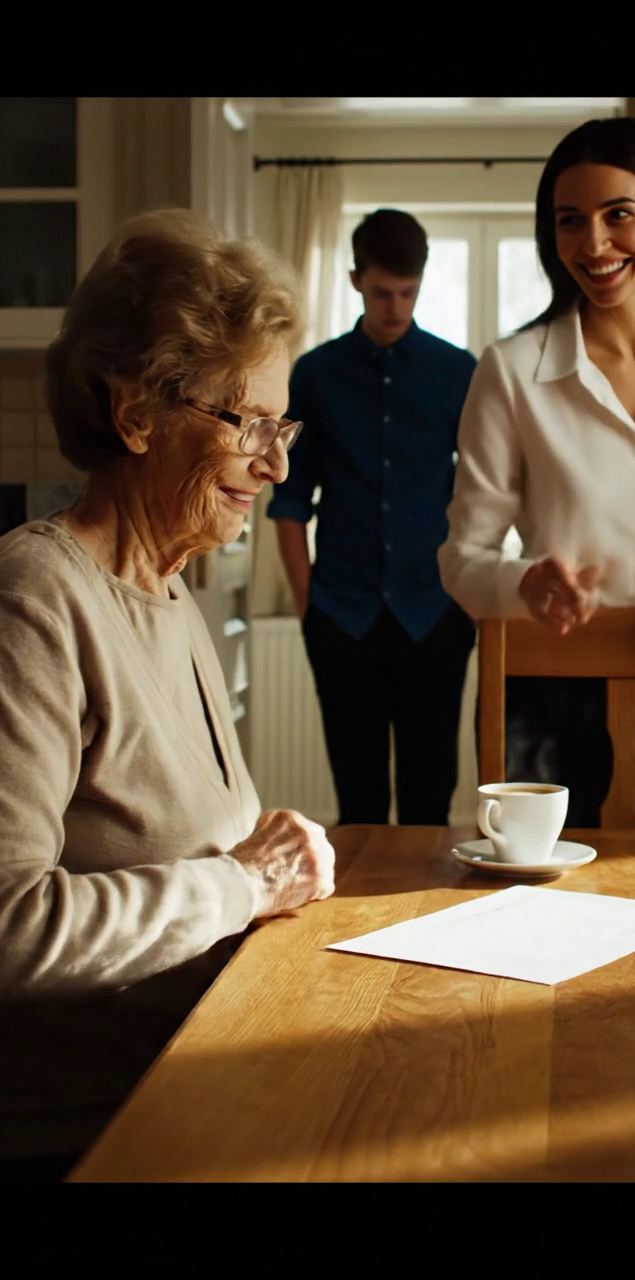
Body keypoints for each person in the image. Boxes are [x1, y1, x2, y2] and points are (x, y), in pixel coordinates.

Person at [0, 209, 336, 1184]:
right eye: (251, 424)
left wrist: (261, 859)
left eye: (285, 427)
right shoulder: (35, 598)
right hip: (88, 1133)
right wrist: (245, 882)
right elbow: (11, 925)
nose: (276, 464)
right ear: (137, 410)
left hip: (198, 1072)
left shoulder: (171, 588)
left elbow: (183, 839)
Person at [438, 116, 635, 829]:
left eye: (618, 215)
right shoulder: (511, 372)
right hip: (543, 689)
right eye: (571, 222)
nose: (593, 245)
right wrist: (524, 583)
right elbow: (462, 557)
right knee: (536, 910)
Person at [268, 209, 477, 826]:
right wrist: (308, 606)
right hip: (341, 615)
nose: (395, 307)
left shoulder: (458, 372)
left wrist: (470, 596)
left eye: (408, 293)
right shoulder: (314, 374)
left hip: (435, 614)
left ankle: (426, 920)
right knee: (357, 800)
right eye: (382, 292)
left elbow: (484, 494)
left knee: (429, 796)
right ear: (356, 279)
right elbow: (287, 498)